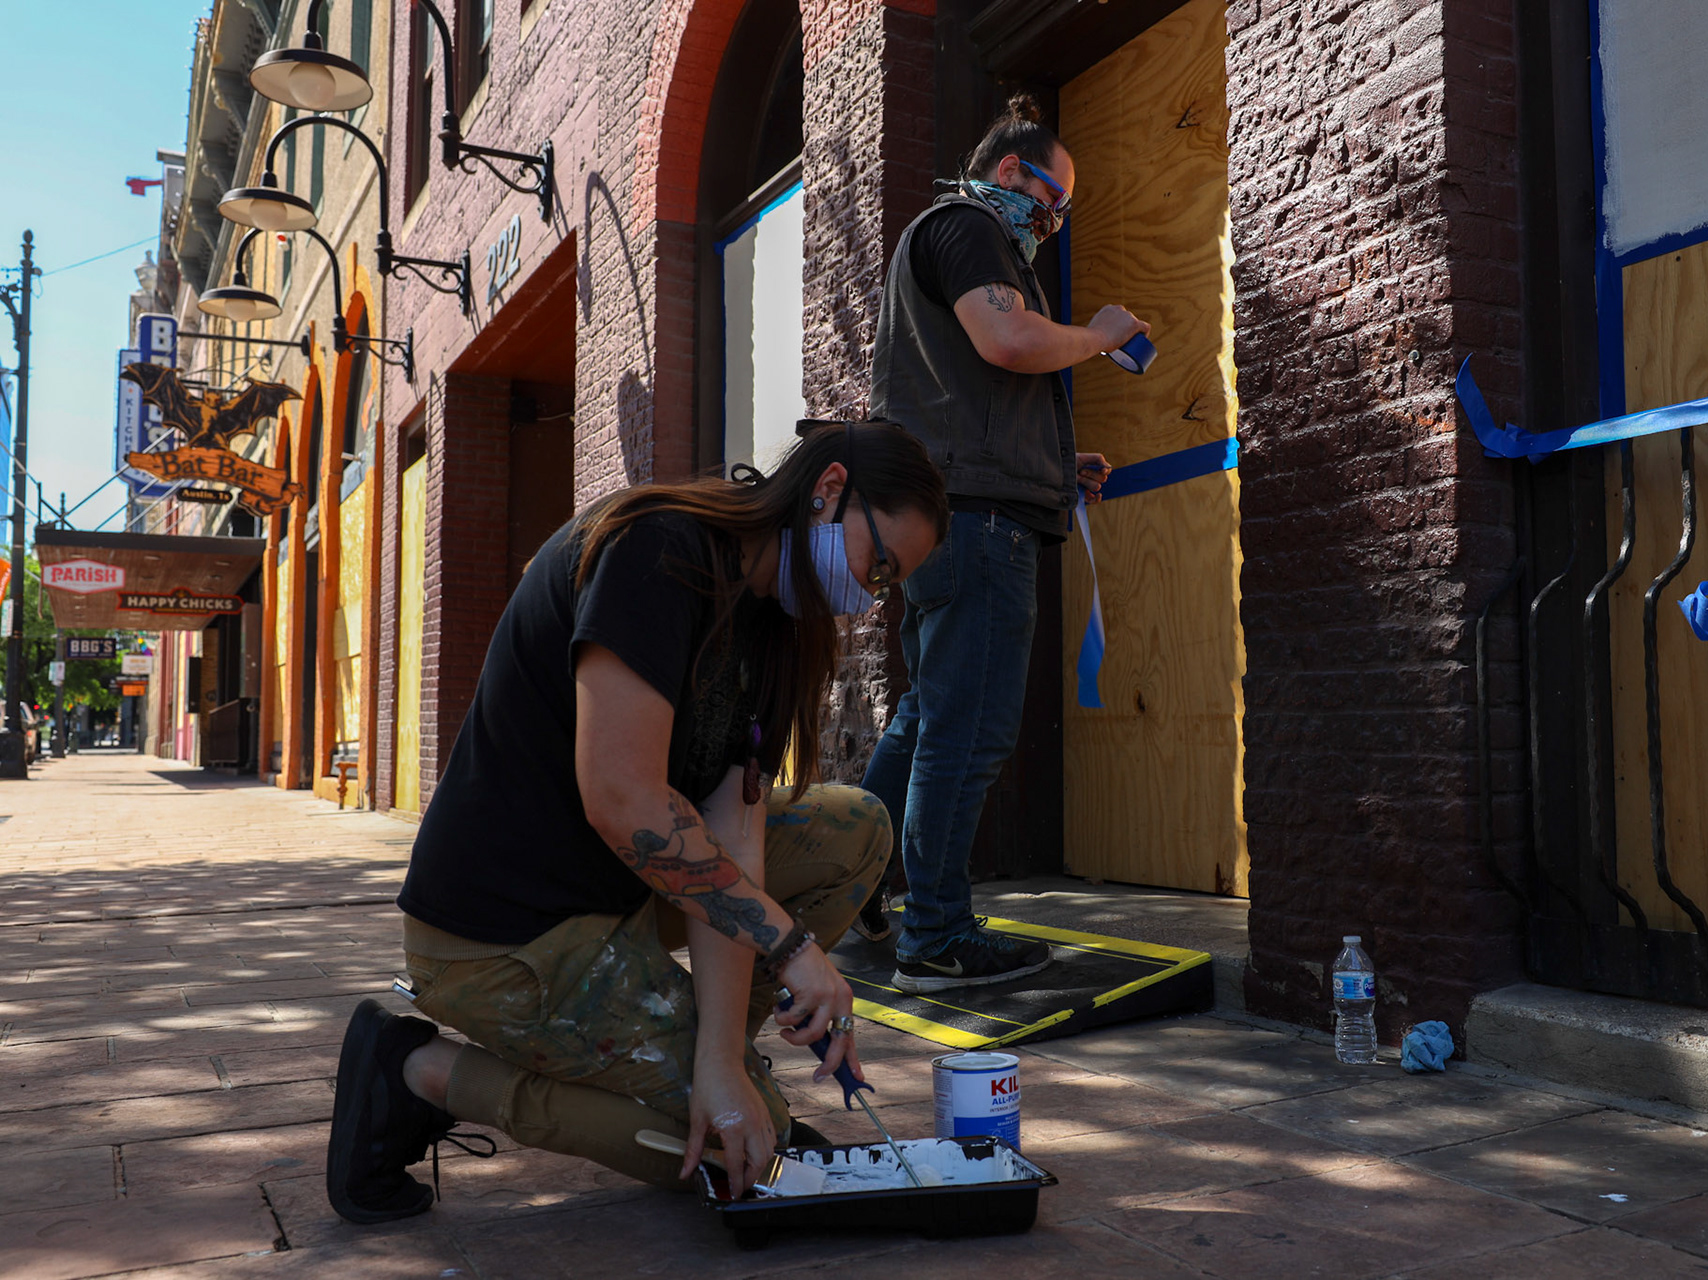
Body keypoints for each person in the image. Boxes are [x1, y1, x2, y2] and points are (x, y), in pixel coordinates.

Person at [325, 421, 948, 1222]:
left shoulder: (772, 623)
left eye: (889, 586)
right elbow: (623, 799)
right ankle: (413, 1070)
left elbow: (733, 837)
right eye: (880, 564)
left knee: (854, 826)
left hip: (614, 899)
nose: (870, 595)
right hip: (504, 940)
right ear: (828, 490)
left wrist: (723, 1055)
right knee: (743, 1149)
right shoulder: (659, 552)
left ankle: (705, 1063)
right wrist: (790, 948)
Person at [859, 95, 1150, 992]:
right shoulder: (970, 224)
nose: (1054, 221)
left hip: (957, 509)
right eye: (1053, 200)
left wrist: (1058, 466)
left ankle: (850, 885)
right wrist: (1101, 337)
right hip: (978, 522)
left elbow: (974, 384)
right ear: (1011, 174)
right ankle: (937, 936)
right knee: (968, 732)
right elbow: (1007, 340)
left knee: (924, 718)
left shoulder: (951, 240)